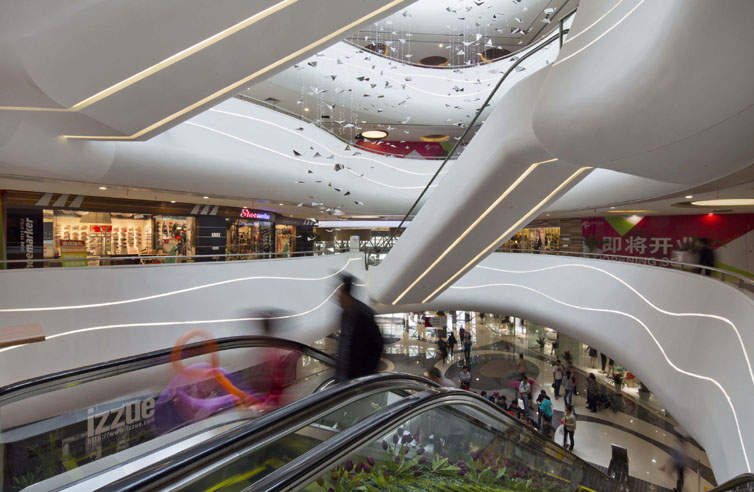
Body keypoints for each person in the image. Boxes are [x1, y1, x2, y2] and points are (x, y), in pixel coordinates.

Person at [334, 274, 384, 382]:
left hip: (358, 378)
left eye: (340, 293)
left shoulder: (364, 315)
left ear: (347, 295)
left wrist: (366, 373)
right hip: (343, 377)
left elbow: (377, 344)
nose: (337, 297)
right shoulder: (345, 314)